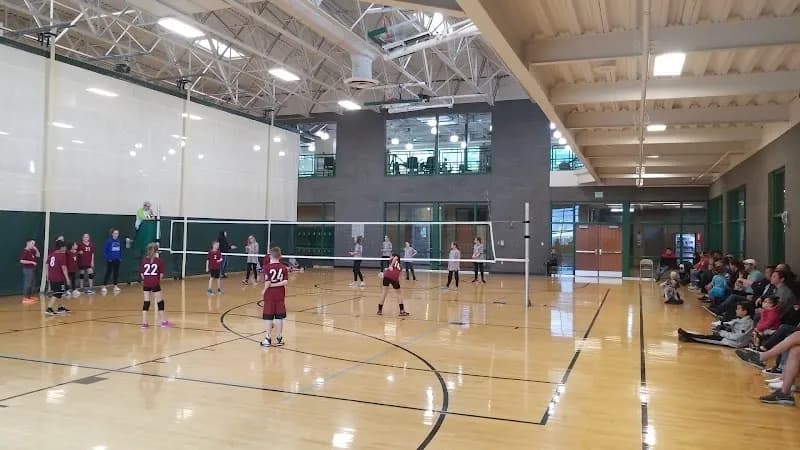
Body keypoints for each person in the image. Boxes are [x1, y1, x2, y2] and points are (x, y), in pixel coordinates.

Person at [677, 302, 754, 347]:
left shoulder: (747, 323)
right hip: (730, 338)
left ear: (745, 312)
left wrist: (721, 333)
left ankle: (688, 336)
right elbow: (731, 323)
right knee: (709, 336)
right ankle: (688, 336)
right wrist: (722, 325)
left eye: (738, 309)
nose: (736, 310)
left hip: (734, 343)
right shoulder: (742, 319)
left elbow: (737, 337)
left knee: (708, 339)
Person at [260, 247, 289, 348]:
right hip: (280, 295)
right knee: (279, 317)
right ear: (280, 256)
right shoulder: (284, 267)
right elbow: (285, 281)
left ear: (270, 256)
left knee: (268, 317)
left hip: (270, 296)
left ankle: (267, 338)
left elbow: (268, 282)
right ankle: (279, 338)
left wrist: (265, 289)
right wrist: (277, 284)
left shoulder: (267, 268)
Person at [140, 242, 169, 328]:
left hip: (146, 283)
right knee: (160, 301)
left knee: (146, 302)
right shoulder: (159, 261)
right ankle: (163, 321)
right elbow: (161, 275)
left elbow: (142, 274)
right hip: (155, 283)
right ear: (156, 251)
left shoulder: (144, 260)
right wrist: (156, 282)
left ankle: (144, 323)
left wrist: (147, 280)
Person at [45, 240, 72, 316]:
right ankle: (49, 308)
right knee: (57, 293)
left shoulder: (51, 254)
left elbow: (47, 265)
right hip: (58, 277)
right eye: (64, 247)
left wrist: (47, 275)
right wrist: (67, 278)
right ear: (61, 247)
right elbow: (64, 268)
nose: (65, 248)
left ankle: (61, 307)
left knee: (61, 292)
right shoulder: (61, 255)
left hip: (52, 276)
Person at [101, 228, 123, 295]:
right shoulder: (108, 241)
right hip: (110, 260)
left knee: (116, 273)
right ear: (112, 234)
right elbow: (104, 250)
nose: (116, 234)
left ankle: (115, 286)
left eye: (117, 233)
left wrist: (120, 257)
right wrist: (108, 258)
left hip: (117, 260)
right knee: (108, 272)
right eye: (115, 233)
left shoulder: (119, 241)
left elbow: (121, 250)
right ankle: (104, 286)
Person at [19, 239, 40, 304]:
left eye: (34, 244)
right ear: (27, 243)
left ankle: (29, 297)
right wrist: (31, 262)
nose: (33, 245)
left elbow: (38, 255)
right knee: (28, 283)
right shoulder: (25, 251)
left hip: (32, 269)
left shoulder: (32, 250)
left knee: (32, 283)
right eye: (32, 244)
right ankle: (25, 298)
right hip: (27, 269)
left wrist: (36, 249)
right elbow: (21, 261)